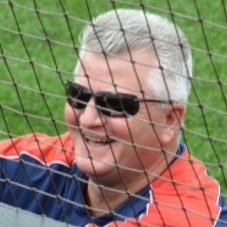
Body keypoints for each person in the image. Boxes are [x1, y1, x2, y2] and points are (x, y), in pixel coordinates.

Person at [0, 9, 226, 226]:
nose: (88, 119)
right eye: (79, 95)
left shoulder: (190, 217)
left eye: (114, 104)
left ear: (169, 120)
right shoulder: (33, 164)